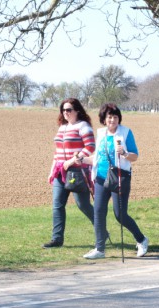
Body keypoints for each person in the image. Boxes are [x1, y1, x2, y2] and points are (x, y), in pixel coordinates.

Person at [80, 103, 149, 259]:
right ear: (104, 119)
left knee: (120, 215)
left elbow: (135, 156)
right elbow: (98, 158)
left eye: (115, 117)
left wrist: (124, 153)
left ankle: (141, 240)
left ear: (119, 119)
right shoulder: (101, 133)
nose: (112, 120)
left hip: (119, 177)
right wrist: (83, 159)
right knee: (98, 212)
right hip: (101, 177)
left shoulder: (125, 133)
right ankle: (99, 249)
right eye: (109, 117)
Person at [42, 98, 95, 248]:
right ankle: (57, 239)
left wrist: (72, 161)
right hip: (60, 171)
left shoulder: (83, 126)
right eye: (63, 110)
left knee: (83, 205)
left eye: (69, 110)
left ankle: (101, 231)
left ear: (77, 110)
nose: (66, 112)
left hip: (77, 171)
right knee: (57, 205)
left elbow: (90, 147)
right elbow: (57, 151)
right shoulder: (62, 127)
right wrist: (52, 170)